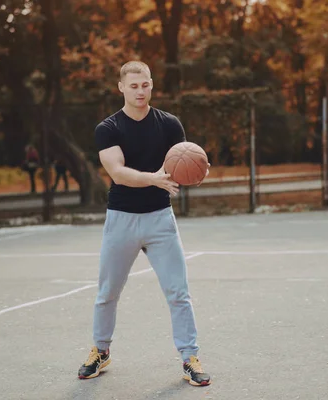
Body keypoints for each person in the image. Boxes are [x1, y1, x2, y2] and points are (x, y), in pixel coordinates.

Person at [77, 60, 211, 386]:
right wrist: (152, 178)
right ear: (121, 87)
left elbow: (182, 161)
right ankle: (101, 350)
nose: (140, 91)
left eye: (145, 84)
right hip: (121, 219)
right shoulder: (108, 129)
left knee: (178, 292)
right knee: (107, 292)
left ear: (152, 85)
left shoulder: (169, 125)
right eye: (133, 85)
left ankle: (189, 357)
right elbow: (118, 172)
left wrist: (197, 170)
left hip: (160, 220)